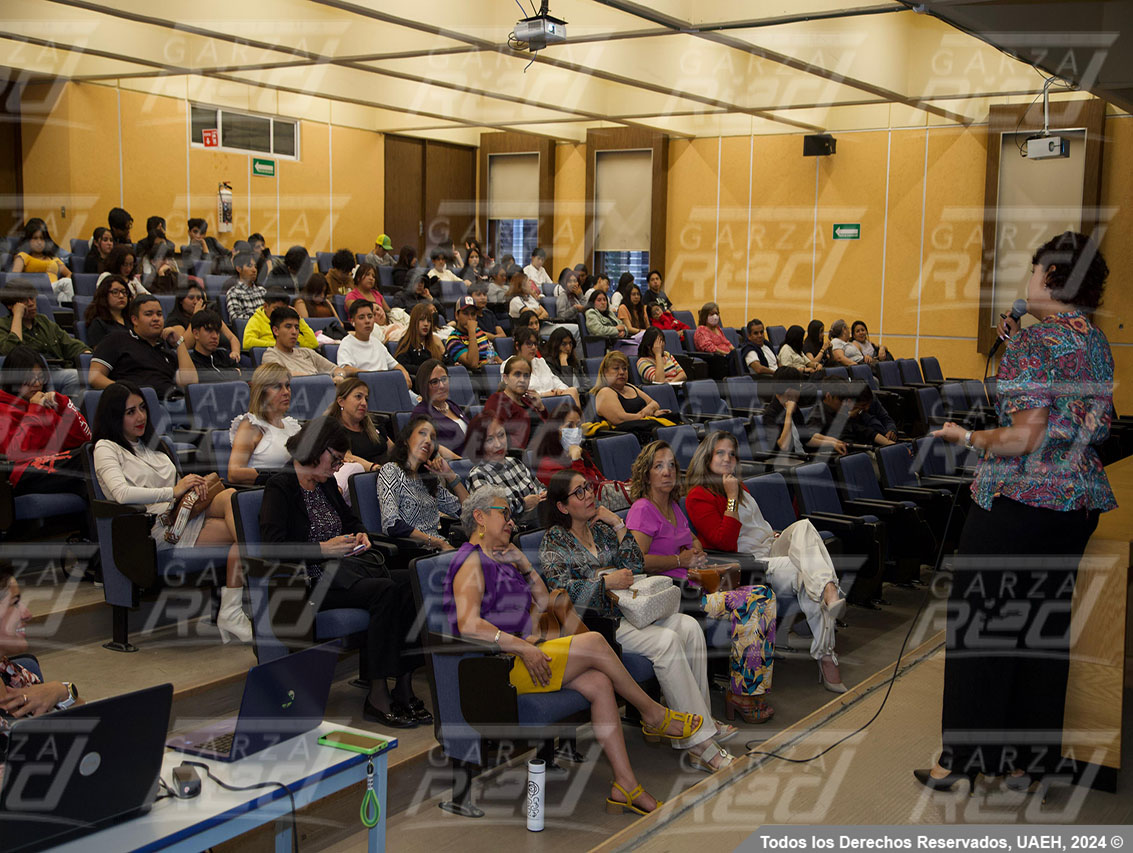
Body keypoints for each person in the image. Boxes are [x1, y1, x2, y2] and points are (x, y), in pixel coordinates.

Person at [916, 232, 1116, 793]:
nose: (1027, 279)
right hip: (1075, 503)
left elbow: (1025, 437)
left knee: (981, 628)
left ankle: (961, 760)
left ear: (1052, 277)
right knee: (1040, 628)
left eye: (1034, 271)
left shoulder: (1034, 346)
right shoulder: (1094, 341)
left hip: (1019, 503)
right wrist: (1016, 328)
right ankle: (1023, 761)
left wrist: (969, 434)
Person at [445, 486, 703, 814]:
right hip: (498, 669)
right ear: (479, 518)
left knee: (599, 683)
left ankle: (626, 784)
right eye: (503, 513)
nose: (511, 521)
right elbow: (468, 625)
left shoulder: (502, 559)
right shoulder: (469, 559)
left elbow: (542, 600)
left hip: (530, 655)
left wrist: (522, 561)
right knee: (595, 641)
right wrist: (523, 647)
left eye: (512, 515)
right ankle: (652, 713)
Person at [540, 470, 736, 771]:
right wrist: (605, 582)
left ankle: (702, 723)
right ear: (563, 506)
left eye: (589, 487)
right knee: (667, 641)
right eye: (579, 492)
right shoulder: (554, 540)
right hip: (598, 626)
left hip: (632, 612)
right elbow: (560, 591)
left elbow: (634, 563)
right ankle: (699, 743)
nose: (590, 494)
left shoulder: (602, 529)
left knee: (689, 627)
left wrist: (618, 524)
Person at [261, 417, 429, 727]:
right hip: (310, 582)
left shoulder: (325, 484)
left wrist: (362, 534)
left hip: (347, 572)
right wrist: (323, 549)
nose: (339, 466)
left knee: (412, 582)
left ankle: (404, 686)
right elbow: (272, 547)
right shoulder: (280, 486)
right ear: (315, 450)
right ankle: (378, 694)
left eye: (341, 460)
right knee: (385, 591)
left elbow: (351, 522)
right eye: (335, 459)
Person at [625, 440, 777, 724]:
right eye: (659, 466)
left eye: (671, 465)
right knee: (756, 599)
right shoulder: (643, 509)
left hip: (695, 584)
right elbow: (638, 561)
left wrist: (696, 551)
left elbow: (688, 537)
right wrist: (680, 561)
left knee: (762, 594)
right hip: (672, 594)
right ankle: (743, 695)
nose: (668, 472)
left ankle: (745, 691)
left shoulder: (672, 505)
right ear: (646, 474)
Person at [685, 431, 847, 693]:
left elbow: (757, 525)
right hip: (752, 562)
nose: (728, 459)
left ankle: (828, 592)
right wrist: (731, 497)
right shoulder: (699, 495)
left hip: (772, 546)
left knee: (804, 528)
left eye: (732, 454)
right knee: (807, 573)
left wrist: (774, 534)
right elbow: (723, 542)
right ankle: (827, 654)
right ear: (707, 457)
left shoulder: (739, 485)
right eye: (720, 453)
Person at [92, 381, 251, 642]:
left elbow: (176, 490)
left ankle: (233, 609)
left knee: (232, 498)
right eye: (130, 412)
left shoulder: (154, 445)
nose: (141, 416)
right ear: (114, 416)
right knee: (245, 533)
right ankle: (242, 601)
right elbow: (121, 494)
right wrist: (173, 491)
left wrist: (192, 487)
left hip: (182, 515)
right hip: (151, 530)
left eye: (142, 408)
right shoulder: (106, 448)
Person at [0, 561, 84, 743]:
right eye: (15, 603)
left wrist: (62, 690)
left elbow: (91, 716)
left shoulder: (8, 671)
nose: (27, 614)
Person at [0, 345, 90, 497]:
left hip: (49, 468)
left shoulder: (44, 405)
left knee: (91, 484)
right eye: (29, 378)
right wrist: (35, 410)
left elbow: (82, 438)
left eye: (40, 377)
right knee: (89, 457)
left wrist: (63, 403)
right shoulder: (3, 409)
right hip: (20, 474)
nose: (37, 384)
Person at [377, 415, 468, 550]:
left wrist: (451, 477)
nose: (428, 441)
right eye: (422, 434)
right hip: (417, 551)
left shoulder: (428, 478)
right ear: (406, 440)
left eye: (432, 438)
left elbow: (467, 511)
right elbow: (391, 524)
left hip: (441, 547)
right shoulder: (391, 470)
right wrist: (438, 542)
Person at [0, 280, 88, 397]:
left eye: (32, 298)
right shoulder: (3, 325)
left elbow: (70, 344)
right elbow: (12, 352)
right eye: (24, 301)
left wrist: (87, 355)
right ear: (11, 306)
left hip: (56, 369)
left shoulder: (44, 321)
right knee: (74, 377)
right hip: (29, 376)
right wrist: (18, 316)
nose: (31, 303)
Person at [462, 413, 546, 526]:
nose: (498, 444)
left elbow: (540, 488)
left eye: (501, 435)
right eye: (489, 440)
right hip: (514, 532)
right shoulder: (478, 475)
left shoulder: (516, 462)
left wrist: (545, 495)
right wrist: (523, 504)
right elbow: (491, 510)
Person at [228, 363, 301, 486]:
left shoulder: (292, 426)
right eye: (278, 387)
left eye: (287, 386)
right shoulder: (252, 425)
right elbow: (234, 473)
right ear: (262, 392)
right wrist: (281, 476)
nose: (286, 392)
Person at [761, 366, 846, 457]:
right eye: (798, 386)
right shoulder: (770, 414)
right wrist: (788, 414)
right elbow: (784, 446)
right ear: (788, 390)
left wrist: (832, 442)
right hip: (784, 461)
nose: (800, 390)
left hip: (803, 456)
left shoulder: (794, 407)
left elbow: (807, 440)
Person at [592, 351, 672, 440]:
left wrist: (647, 412)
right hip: (627, 436)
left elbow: (654, 404)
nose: (622, 372)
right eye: (616, 368)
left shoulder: (630, 387)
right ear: (605, 372)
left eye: (624, 368)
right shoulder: (605, 392)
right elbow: (620, 419)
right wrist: (646, 416)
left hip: (644, 429)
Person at [337, 300, 413, 389]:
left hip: (387, 386)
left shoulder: (377, 342)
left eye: (370, 316)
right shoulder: (347, 343)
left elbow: (395, 365)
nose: (367, 321)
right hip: (367, 388)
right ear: (352, 322)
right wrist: (373, 376)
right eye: (361, 317)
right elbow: (346, 369)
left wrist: (405, 374)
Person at [262, 307, 350, 380]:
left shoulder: (307, 352)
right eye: (288, 326)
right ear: (276, 331)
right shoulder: (270, 356)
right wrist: (321, 380)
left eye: (296, 327)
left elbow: (337, 369)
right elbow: (284, 377)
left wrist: (340, 377)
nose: (294, 332)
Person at [326, 377, 392, 473]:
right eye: (358, 397)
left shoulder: (374, 424)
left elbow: (393, 450)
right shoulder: (333, 429)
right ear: (341, 401)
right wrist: (375, 468)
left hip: (388, 475)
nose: (364, 403)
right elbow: (347, 457)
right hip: (365, 477)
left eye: (366, 399)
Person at [807, 377, 896, 447]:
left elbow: (866, 431)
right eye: (841, 400)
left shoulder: (843, 412)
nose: (845, 403)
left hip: (859, 451)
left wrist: (892, 445)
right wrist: (833, 443)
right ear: (829, 396)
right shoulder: (818, 414)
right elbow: (808, 438)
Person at [483, 355, 547, 449]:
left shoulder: (527, 401)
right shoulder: (497, 402)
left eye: (526, 376)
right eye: (517, 374)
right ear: (505, 378)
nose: (522, 380)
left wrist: (541, 407)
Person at [166, 282, 241, 362]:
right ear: (181, 301)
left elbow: (232, 338)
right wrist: (196, 316)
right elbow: (184, 346)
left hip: (219, 358)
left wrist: (235, 352)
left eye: (198, 298)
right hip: (194, 362)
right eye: (191, 298)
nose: (195, 302)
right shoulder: (174, 320)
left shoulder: (208, 316)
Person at [411, 360, 470, 460]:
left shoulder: (452, 405)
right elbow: (431, 447)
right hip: (455, 467)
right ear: (424, 385)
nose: (442, 386)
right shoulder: (421, 414)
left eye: (444, 379)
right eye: (434, 382)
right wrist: (464, 462)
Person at [514, 327, 579, 408]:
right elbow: (516, 395)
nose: (534, 347)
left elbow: (557, 382)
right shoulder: (510, 365)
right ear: (517, 346)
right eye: (529, 344)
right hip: (531, 406)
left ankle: (580, 421)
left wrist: (559, 390)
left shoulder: (541, 362)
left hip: (552, 402)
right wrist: (544, 394)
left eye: (535, 344)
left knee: (573, 391)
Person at [11, 219, 72, 303]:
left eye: (42, 239)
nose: (39, 242)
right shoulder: (23, 256)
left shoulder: (53, 258)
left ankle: (65, 312)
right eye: (35, 238)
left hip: (54, 289)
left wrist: (60, 284)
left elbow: (69, 274)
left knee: (67, 284)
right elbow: (14, 277)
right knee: (67, 283)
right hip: (37, 290)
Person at [243, 290, 319, 350]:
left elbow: (313, 344)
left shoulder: (290, 325)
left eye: (283, 309)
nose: (279, 312)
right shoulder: (256, 320)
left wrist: (299, 320)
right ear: (266, 306)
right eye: (276, 308)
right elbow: (247, 343)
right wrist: (278, 344)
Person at [444, 296, 499, 371]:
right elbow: (473, 364)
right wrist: (472, 332)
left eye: (473, 314)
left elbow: (496, 359)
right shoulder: (453, 339)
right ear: (457, 315)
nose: (470, 318)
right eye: (465, 313)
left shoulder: (480, 334)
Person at [187, 311, 243, 383]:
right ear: (196, 334)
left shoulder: (223, 355)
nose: (215, 336)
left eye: (217, 332)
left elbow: (244, 373)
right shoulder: (190, 362)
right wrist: (234, 373)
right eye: (209, 331)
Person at [394, 303, 445, 376]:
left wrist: (442, 349)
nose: (426, 324)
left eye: (429, 321)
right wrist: (428, 370)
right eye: (422, 320)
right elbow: (402, 366)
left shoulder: (433, 343)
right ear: (414, 321)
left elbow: (443, 363)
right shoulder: (406, 343)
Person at [83, 275, 131, 346]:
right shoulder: (98, 323)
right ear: (104, 295)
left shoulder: (132, 319)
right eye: (115, 292)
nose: (121, 296)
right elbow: (99, 353)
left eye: (124, 292)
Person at [693, 302, 735, 380]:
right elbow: (709, 347)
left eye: (716, 313)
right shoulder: (701, 330)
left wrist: (735, 352)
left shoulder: (717, 329)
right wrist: (726, 354)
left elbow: (727, 342)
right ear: (705, 316)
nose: (715, 316)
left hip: (726, 355)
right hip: (715, 358)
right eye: (711, 314)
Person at [224, 252, 265, 323]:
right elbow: (236, 319)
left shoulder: (262, 291)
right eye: (249, 266)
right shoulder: (234, 292)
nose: (254, 270)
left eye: (255, 267)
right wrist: (261, 318)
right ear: (239, 269)